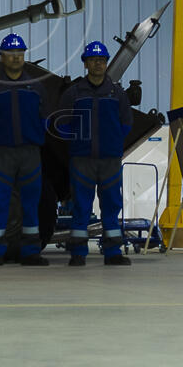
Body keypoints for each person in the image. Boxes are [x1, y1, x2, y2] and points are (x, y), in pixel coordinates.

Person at [0, 33, 50, 266]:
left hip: (30, 153)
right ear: (2, 57)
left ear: (24, 56)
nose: (16, 58)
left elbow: (46, 119)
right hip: (1, 153)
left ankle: (30, 252)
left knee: (30, 202)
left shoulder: (36, 87)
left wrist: (34, 137)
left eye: (19, 54)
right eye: (10, 54)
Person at [56, 40, 133, 267]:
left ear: (106, 63)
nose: (98, 64)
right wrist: (78, 142)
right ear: (86, 64)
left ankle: (112, 254)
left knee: (111, 204)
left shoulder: (117, 94)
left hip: (109, 159)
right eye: (93, 60)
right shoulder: (74, 94)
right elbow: (61, 123)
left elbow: (126, 124)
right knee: (81, 205)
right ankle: (78, 253)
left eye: (101, 60)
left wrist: (113, 142)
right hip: (82, 159)